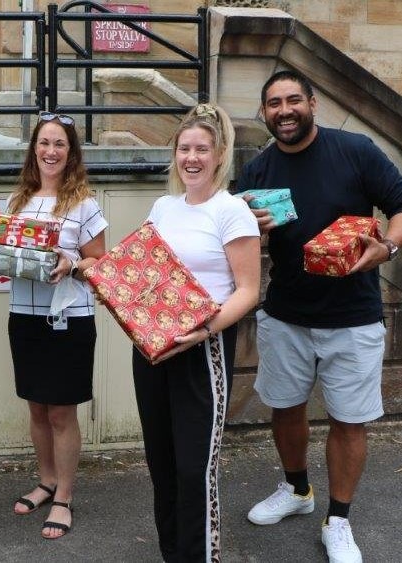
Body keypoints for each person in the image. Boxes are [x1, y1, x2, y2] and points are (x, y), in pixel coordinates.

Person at [236, 70, 402, 563]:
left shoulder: (355, 150)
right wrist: (254, 233)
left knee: (349, 421)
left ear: (312, 103)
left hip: (353, 317)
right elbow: (237, 243)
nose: (284, 111)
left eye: (293, 100)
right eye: (273, 104)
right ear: (264, 113)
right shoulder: (257, 172)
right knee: (284, 407)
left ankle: (339, 520)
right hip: (285, 314)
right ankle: (297, 491)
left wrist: (387, 247)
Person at [132, 104, 260, 562]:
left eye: (201, 149)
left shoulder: (232, 212)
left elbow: (247, 290)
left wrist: (206, 329)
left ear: (219, 154)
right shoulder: (163, 206)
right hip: (152, 348)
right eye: (184, 148)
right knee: (162, 468)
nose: (192, 157)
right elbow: (140, 269)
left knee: (194, 470)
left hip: (201, 349)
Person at [5, 111, 107, 540]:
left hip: (67, 319)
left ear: (71, 153)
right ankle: (46, 480)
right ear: (34, 150)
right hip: (24, 315)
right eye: (43, 143)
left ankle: (63, 496)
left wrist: (71, 263)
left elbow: (101, 263)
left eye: (59, 144)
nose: (50, 151)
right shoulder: (17, 201)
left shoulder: (85, 203)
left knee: (62, 412)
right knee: (36, 407)